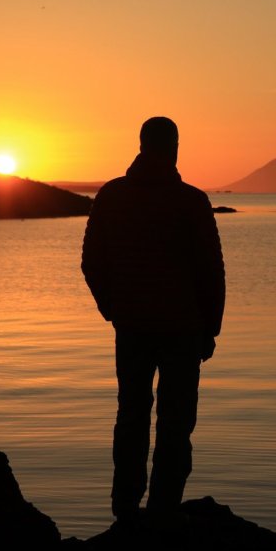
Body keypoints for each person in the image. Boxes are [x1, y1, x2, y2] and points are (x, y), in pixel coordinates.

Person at [81, 117, 225, 526]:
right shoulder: (191, 201)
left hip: (133, 328)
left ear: (142, 145)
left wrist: (114, 309)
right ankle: (163, 510)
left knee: (131, 415)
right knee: (175, 422)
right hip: (182, 330)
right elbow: (211, 272)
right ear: (174, 147)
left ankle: (126, 510)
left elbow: (91, 263)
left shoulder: (111, 196)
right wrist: (210, 329)